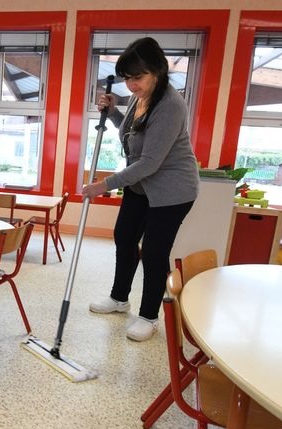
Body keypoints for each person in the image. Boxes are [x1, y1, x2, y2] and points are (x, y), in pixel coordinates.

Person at [83, 37, 199, 342]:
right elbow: (134, 132)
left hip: (172, 190)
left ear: (157, 71)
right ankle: (120, 298)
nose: (131, 85)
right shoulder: (141, 97)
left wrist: (103, 186)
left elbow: (149, 161)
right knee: (124, 236)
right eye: (127, 79)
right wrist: (113, 112)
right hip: (141, 185)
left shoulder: (171, 104)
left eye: (138, 77)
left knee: (154, 252)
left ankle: (149, 316)